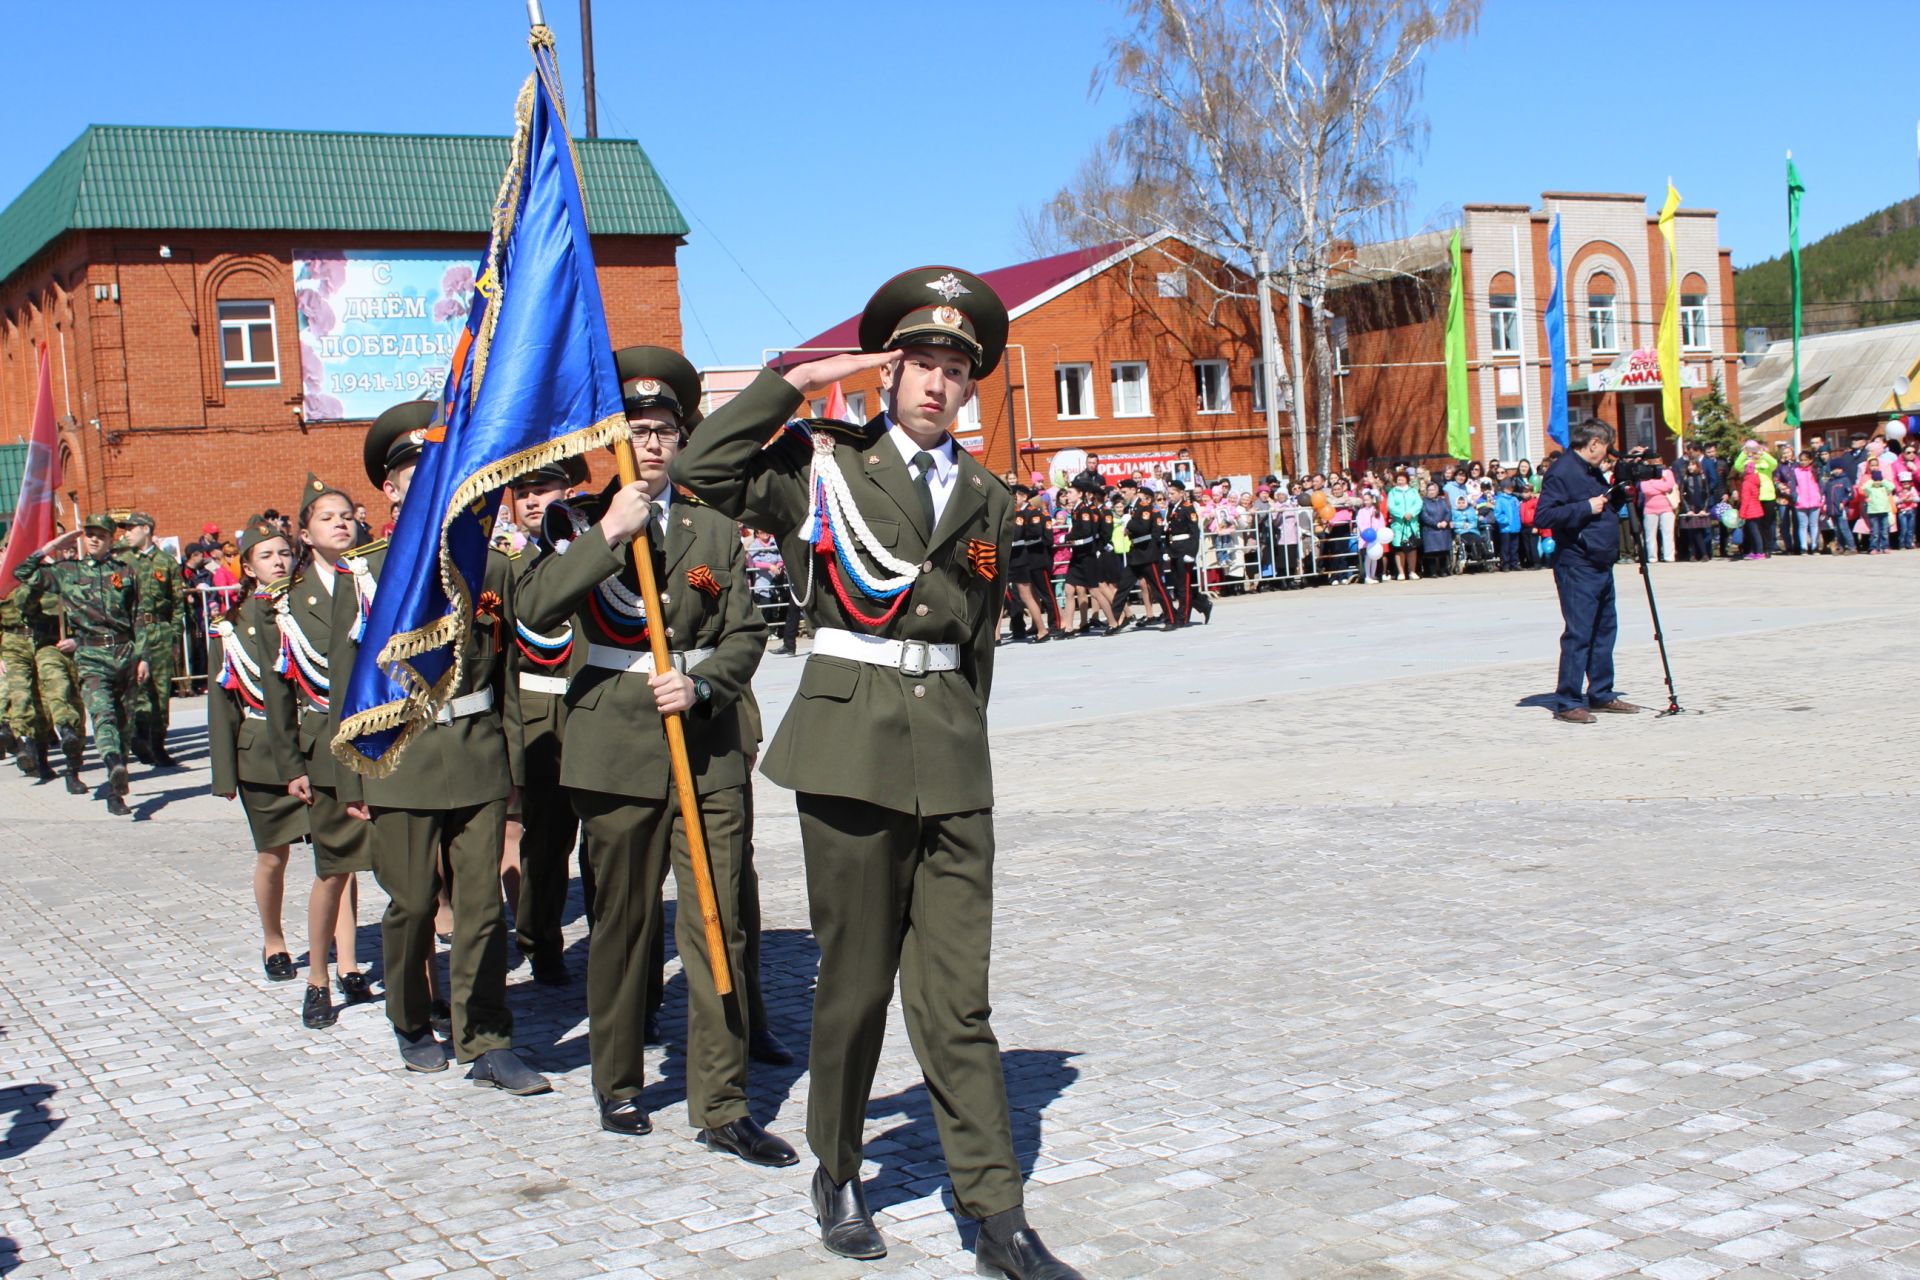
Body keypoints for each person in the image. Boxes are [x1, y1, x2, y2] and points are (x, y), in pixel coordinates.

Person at [674, 266, 1084, 1278]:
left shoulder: (989, 494)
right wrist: (800, 382)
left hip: (949, 757)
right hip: (851, 750)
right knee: (853, 983)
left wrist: (958, 737)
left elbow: (977, 640)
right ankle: (840, 1167)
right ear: (889, 369)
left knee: (958, 998)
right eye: (922, 363)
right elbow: (702, 469)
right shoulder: (825, 467)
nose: (939, 383)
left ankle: (996, 1212)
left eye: (957, 367)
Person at [518, 345, 790, 1162]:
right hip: (615, 742)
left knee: (719, 924)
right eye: (636, 429)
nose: (652, 443)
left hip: (703, 743)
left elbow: (746, 630)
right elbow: (534, 608)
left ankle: (722, 1101)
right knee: (624, 923)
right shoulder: (577, 521)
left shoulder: (712, 524)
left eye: (665, 428)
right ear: (614, 439)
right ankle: (620, 1082)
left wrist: (704, 684)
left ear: (683, 435)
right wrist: (608, 533)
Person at [329, 401, 549, 1095]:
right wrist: (351, 780)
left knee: (483, 907)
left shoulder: (490, 564)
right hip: (400, 756)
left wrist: (513, 761)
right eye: (409, 474)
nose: (425, 482)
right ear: (390, 489)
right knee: (414, 903)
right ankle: (413, 1020)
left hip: (478, 751)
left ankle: (486, 1036)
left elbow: (511, 671)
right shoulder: (365, 575)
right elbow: (344, 683)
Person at [262, 476, 377, 1030]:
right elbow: (277, 691)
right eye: (325, 516)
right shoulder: (289, 600)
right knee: (332, 869)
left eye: (346, 514)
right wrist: (290, 767)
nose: (339, 522)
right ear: (305, 534)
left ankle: (361, 966)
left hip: (380, 741)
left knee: (399, 865)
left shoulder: (375, 582)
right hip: (325, 752)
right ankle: (319, 978)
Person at [500, 454, 590, 987]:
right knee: (546, 839)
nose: (532, 500)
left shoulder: (591, 552)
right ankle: (540, 940)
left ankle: (610, 933)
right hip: (534, 713)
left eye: (544, 488)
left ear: (569, 489)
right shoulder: (504, 563)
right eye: (523, 492)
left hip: (589, 703)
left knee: (602, 836)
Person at [208, 517, 311, 982]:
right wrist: (224, 775)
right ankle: (274, 938)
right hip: (262, 754)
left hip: (313, 746)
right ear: (247, 568)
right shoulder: (231, 627)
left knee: (337, 856)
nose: (278, 562)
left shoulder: (310, 608)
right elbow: (222, 706)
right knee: (274, 855)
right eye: (266, 556)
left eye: (284, 553)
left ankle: (342, 951)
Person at [13, 514, 147, 814]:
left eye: (101, 534)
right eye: (89, 534)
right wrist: (51, 546)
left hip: (124, 653)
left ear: (112, 539)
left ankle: (116, 791)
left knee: (124, 724)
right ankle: (112, 761)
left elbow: (138, 617)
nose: (94, 539)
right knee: (102, 714)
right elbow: (22, 572)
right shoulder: (66, 572)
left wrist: (143, 657)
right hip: (91, 655)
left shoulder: (126, 572)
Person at [1536, 419, 1640, 724]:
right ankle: (1568, 701)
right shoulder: (1562, 471)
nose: (1607, 454)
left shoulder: (1591, 470)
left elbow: (1603, 506)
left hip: (1600, 561)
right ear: (1593, 443)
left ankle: (1601, 693)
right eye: (1606, 447)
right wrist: (1585, 507)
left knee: (1604, 630)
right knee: (1579, 633)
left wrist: (1620, 492)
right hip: (1577, 564)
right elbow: (1544, 515)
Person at [117, 512, 186, 766]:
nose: (126, 533)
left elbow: (178, 604)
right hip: (133, 634)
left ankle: (157, 744)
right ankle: (138, 737)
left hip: (159, 631)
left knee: (159, 689)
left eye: (130, 528)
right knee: (135, 687)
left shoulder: (166, 562)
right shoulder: (122, 562)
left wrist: (176, 638)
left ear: (146, 529)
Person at [1005, 485, 1060, 642]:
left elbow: (1037, 533)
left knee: (1045, 593)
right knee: (1031, 594)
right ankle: (1038, 626)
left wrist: (1022, 533)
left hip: (1037, 557)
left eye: (1017, 496)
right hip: (1026, 557)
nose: (1015, 499)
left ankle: (1055, 623)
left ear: (1023, 496)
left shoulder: (1033, 512)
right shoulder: (1020, 513)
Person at [1163, 479, 1211, 623]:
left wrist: (1191, 553)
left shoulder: (1187, 508)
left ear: (1181, 493)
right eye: (1169, 493)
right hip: (1174, 549)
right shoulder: (1171, 508)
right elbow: (1169, 531)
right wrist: (1167, 549)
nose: (1169, 496)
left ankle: (1183, 617)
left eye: (1172, 493)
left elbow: (1195, 532)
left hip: (1185, 549)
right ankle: (1203, 604)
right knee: (1179, 586)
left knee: (1184, 586)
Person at [1386, 471, 1421, 581]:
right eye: (1398, 479)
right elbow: (1391, 506)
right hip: (1399, 524)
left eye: (1402, 479)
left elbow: (1419, 503)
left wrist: (1411, 513)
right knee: (1399, 548)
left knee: (1412, 548)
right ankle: (1401, 572)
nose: (1400, 481)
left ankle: (1412, 571)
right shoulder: (1392, 492)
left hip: (1412, 523)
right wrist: (1402, 514)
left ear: (1406, 479)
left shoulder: (1413, 491)